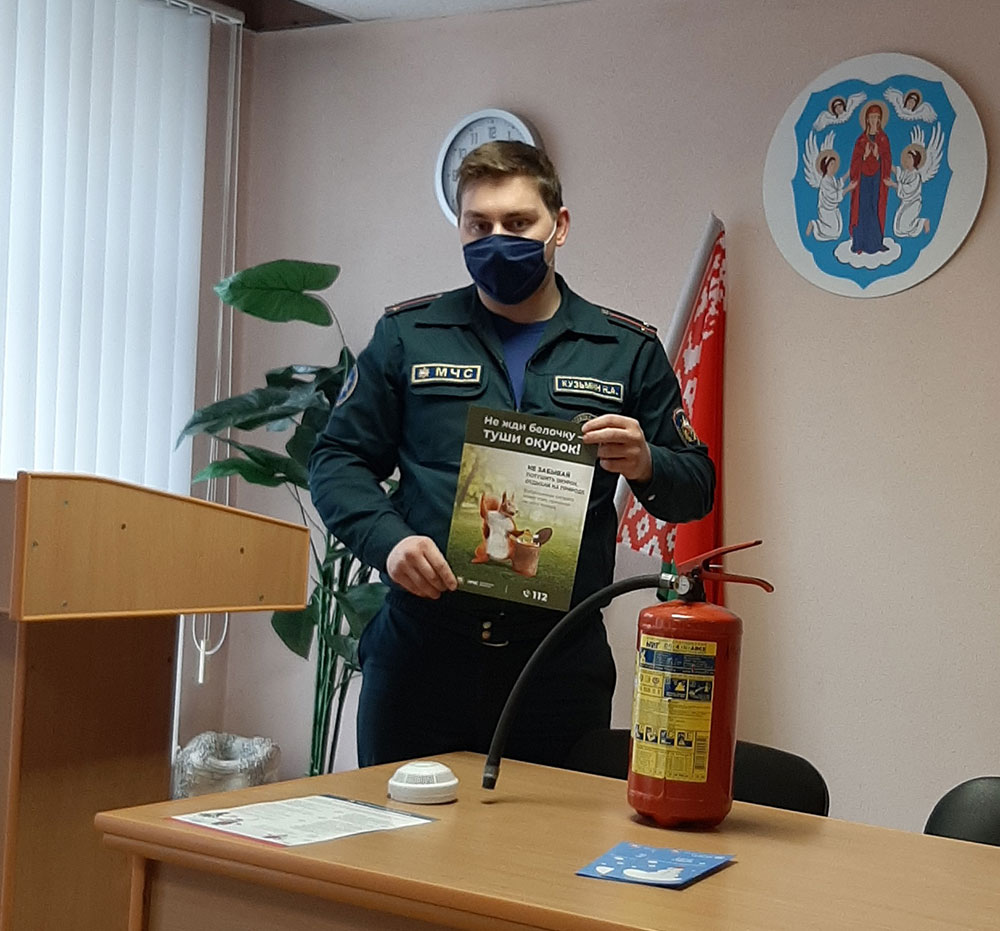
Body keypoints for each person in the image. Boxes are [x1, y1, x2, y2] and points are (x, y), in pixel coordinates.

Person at [308, 141, 715, 769]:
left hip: (556, 667)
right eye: (479, 225)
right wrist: (389, 542)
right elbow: (337, 459)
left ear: (560, 226)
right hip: (422, 656)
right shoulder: (408, 336)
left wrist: (646, 462)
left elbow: (696, 486)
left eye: (518, 223)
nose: (497, 240)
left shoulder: (624, 349)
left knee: (547, 832)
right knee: (405, 831)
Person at [848, 104, 892, 254]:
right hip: (863, 181)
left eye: (877, 117)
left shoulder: (883, 139)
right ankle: (859, 243)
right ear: (867, 119)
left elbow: (887, 159)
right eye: (872, 117)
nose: (874, 120)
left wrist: (879, 156)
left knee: (875, 207)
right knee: (862, 209)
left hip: (877, 179)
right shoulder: (861, 140)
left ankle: (875, 243)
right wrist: (865, 156)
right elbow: (854, 162)